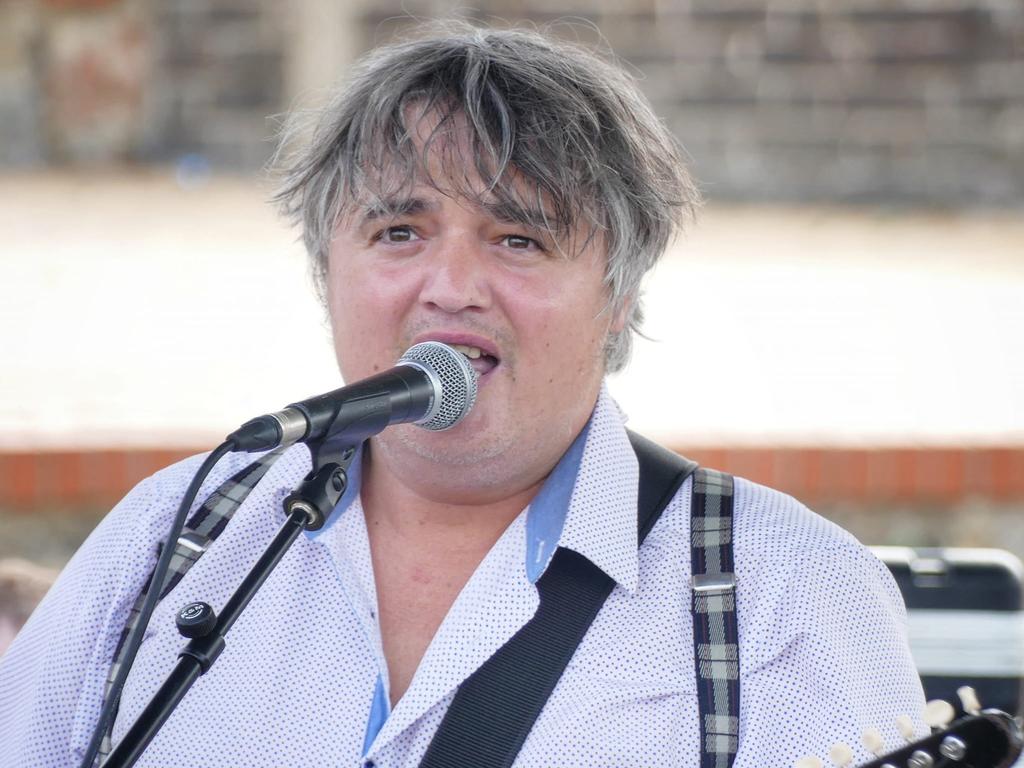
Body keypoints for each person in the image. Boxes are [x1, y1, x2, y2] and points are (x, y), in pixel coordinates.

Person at [0, 23, 925, 767]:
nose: (451, 285)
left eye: (518, 239)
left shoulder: (781, 595)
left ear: (621, 296)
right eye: (399, 230)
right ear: (328, 274)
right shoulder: (177, 534)